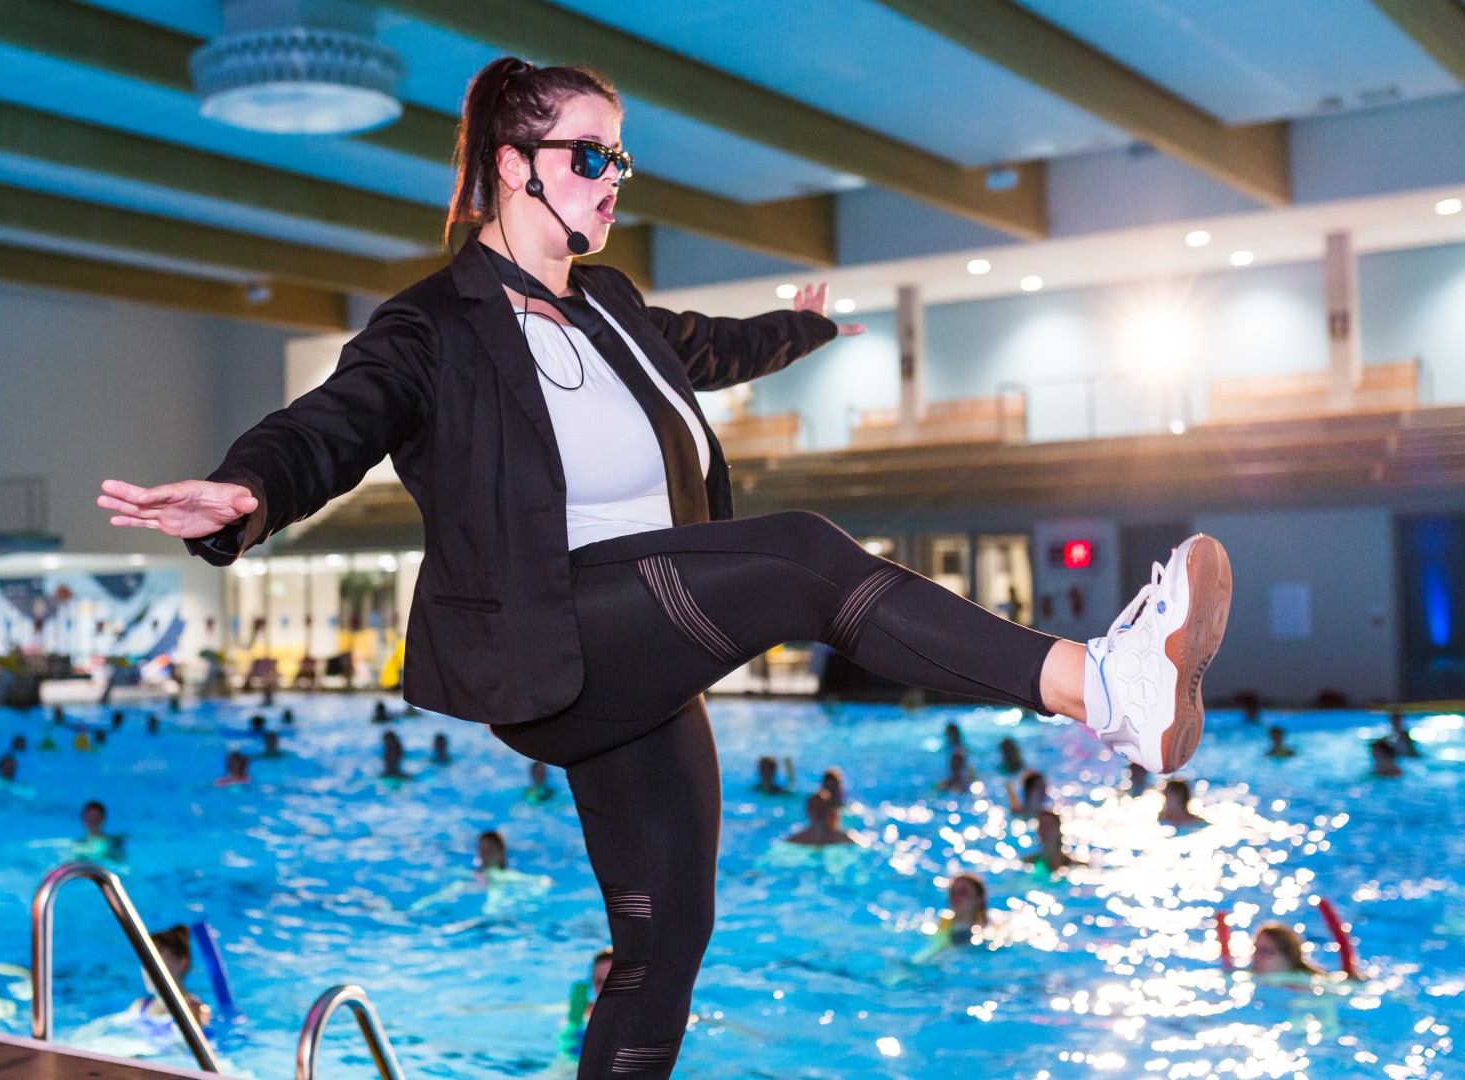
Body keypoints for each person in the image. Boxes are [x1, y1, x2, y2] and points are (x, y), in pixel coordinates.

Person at [98, 56, 1235, 1079]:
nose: (611, 178)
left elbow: (710, 348)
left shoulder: (611, 305)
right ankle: (1101, 686)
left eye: (619, 159)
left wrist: (802, 332)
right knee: (799, 557)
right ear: (512, 166)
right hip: (558, 638)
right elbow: (333, 423)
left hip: (639, 654)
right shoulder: (433, 327)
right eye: (588, 154)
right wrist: (245, 491)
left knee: (665, 939)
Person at [1248, 923, 1321, 980]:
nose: (1256, 956)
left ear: (1287, 958)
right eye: (1256, 948)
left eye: (1265, 951)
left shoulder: (1303, 984)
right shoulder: (1254, 975)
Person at [784, 792, 853, 847]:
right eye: (814, 807)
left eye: (822, 807)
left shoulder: (845, 839)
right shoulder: (795, 840)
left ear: (830, 811)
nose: (818, 811)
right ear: (808, 810)